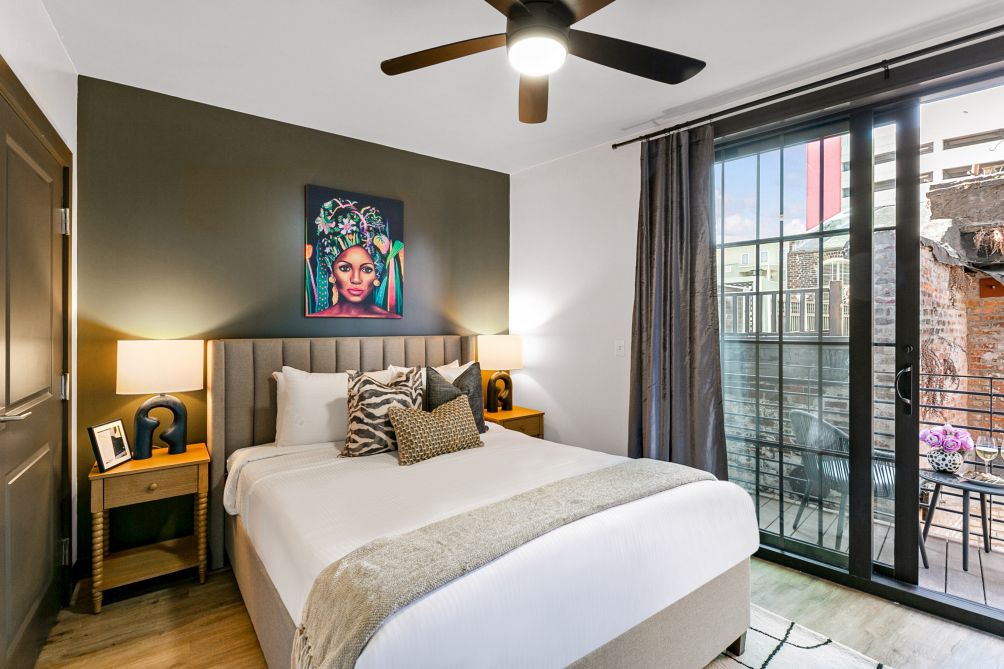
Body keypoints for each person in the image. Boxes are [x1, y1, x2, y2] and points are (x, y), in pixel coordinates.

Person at [307, 198, 403, 318]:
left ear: (376, 274)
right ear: (332, 273)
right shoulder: (315, 319)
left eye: (366, 269)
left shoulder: (393, 319)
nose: (356, 279)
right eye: (345, 268)